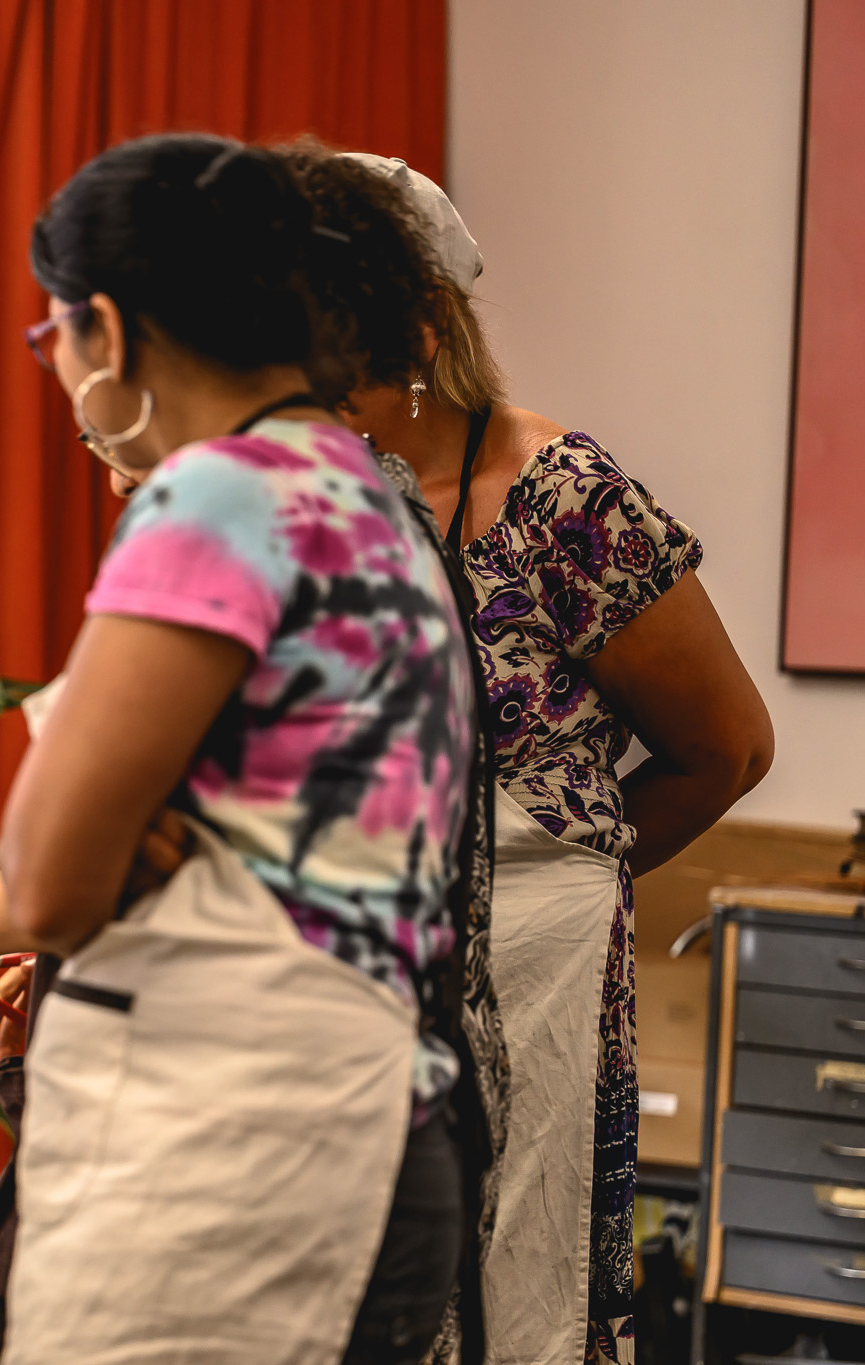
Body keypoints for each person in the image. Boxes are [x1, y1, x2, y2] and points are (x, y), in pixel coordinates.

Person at [0, 132, 476, 1364]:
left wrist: (132, 842)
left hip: (237, 1155)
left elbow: (47, 882)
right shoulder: (368, 494)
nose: (57, 371)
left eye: (53, 340)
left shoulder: (216, 497)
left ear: (103, 327)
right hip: (376, 1129)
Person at [328, 153, 773, 1365]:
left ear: (419, 321)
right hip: (346, 961)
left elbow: (724, 747)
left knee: (526, 1292)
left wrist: (569, 876)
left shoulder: (556, 495)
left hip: (540, 962)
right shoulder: (300, 497)